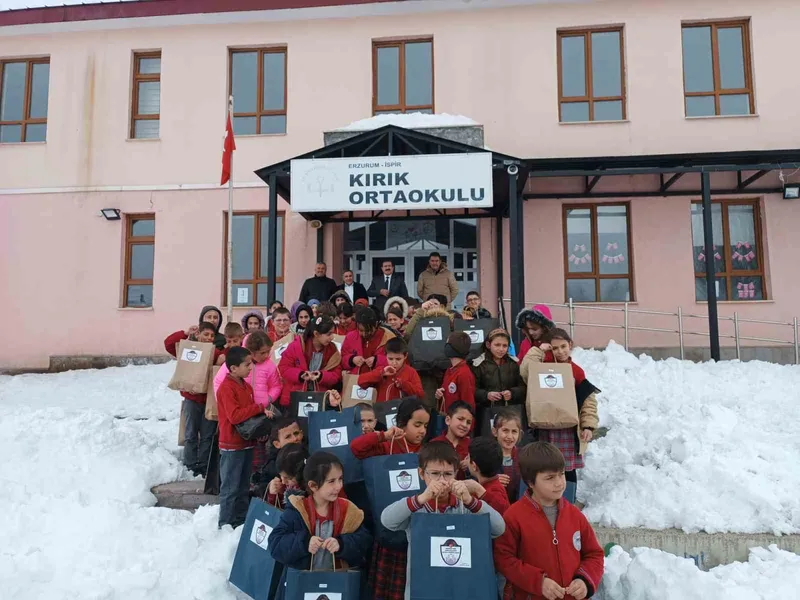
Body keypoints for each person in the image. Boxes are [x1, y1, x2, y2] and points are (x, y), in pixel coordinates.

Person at [381, 441, 505, 600]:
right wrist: (422, 498)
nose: (442, 480)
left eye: (447, 474)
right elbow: (387, 520)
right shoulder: (416, 507)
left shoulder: (466, 506)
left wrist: (470, 500)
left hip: (463, 589)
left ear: (456, 474)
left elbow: (498, 528)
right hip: (424, 590)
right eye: (434, 474)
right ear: (421, 474)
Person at [493, 442, 604, 600]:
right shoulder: (513, 517)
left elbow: (594, 554)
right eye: (550, 478)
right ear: (531, 482)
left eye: (561, 474)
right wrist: (538, 582)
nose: (559, 482)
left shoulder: (575, 515)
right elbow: (504, 559)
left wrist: (585, 580)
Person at [350, 397, 431, 600]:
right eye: (417, 425)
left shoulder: (427, 452)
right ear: (402, 423)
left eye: (425, 426)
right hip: (389, 529)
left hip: (417, 527)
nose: (422, 431)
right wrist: (383, 435)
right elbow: (356, 448)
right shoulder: (387, 447)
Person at [269, 452, 372, 600]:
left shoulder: (348, 510)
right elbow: (276, 544)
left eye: (340, 479)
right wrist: (304, 543)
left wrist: (342, 544)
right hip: (302, 585)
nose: (338, 486)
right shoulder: (297, 510)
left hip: (339, 585)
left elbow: (364, 541)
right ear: (313, 485)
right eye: (331, 481)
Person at [519, 328, 599, 503]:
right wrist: (538, 350)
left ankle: (568, 502)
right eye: (555, 348)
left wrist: (588, 425)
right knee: (544, 467)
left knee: (567, 469)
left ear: (570, 345)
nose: (560, 351)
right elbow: (524, 371)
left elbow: (588, 401)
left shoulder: (576, 371)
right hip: (545, 428)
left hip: (568, 431)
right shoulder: (541, 366)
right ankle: (545, 500)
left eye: (563, 346)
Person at [216, 346, 270, 528]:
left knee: (243, 486)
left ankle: (240, 521)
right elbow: (235, 416)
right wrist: (259, 407)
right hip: (231, 445)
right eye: (247, 365)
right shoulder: (226, 388)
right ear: (233, 368)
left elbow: (249, 418)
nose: (251, 368)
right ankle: (225, 524)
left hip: (247, 442)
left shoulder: (246, 387)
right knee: (230, 488)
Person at [164, 321, 226, 476]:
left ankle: (204, 465)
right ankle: (190, 464)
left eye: (212, 335)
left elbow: (225, 359)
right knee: (190, 433)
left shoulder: (214, 352)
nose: (209, 338)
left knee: (207, 434)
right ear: (198, 334)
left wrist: (222, 357)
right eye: (206, 334)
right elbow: (169, 344)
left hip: (208, 401)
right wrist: (185, 333)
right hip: (191, 400)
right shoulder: (189, 349)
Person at [278, 315, 343, 408]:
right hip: (295, 397)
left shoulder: (332, 350)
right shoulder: (296, 346)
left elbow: (336, 375)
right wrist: (300, 375)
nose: (332, 337)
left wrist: (321, 376)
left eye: (333, 333)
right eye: (329, 334)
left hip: (321, 398)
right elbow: (283, 368)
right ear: (316, 334)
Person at [472, 328, 525, 436]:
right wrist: (486, 395)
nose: (501, 349)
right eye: (497, 345)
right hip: (486, 412)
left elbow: (523, 388)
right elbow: (472, 389)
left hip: (510, 412)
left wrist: (512, 393)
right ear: (488, 344)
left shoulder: (513, 364)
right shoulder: (479, 365)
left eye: (504, 346)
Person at [356, 337, 424, 403]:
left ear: (405, 356)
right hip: (383, 409)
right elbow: (361, 382)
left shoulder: (411, 372)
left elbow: (420, 395)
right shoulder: (382, 370)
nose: (394, 363)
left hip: (403, 409)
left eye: (398, 359)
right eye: (390, 359)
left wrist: (403, 384)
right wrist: (381, 373)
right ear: (385, 355)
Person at [251, 416, 305, 499]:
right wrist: (270, 488)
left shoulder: (311, 455)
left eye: (296, 433)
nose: (295, 439)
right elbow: (260, 488)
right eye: (288, 436)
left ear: (302, 433)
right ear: (277, 444)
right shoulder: (272, 465)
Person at [340, 306, 395, 375]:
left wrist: (377, 360)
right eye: (361, 330)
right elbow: (342, 360)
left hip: (380, 378)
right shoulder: (350, 337)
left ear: (376, 325)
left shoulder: (388, 338)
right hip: (356, 378)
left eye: (368, 331)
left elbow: (396, 361)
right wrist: (352, 359)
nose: (364, 334)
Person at [465, 436, 510, 516]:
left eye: (468, 457)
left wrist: (479, 491)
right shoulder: (490, 485)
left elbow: (500, 516)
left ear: (474, 466)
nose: (465, 460)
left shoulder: (495, 493)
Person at [430, 401, 474, 480]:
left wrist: (470, 465)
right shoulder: (434, 444)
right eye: (460, 419)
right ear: (448, 420)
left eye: (468, 422)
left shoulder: (472, 445)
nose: (464, 425)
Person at [435, 332, 476, 413]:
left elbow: (468, 404)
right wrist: (440, 394)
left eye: (447, 344)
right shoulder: (450, 370)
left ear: (451, 348)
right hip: (448, 418)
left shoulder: (464, 374)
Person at [492, 408, 523, 504]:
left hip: (517, 506)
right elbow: (476, 478)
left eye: (514, 431)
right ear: (495, 432)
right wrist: (491, 480)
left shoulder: (524, 456)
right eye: (505, 430)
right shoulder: (486, 455)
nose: (509, 436)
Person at [266, 443, 309, 509]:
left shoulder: (311, 491)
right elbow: (274, 512)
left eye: (288, 478)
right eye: (281, 476)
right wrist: (274, 495)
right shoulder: (283, 487)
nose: (283, 481)